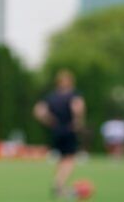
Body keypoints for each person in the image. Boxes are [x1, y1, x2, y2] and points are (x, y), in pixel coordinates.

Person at [33, 69, 86, 198]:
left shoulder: (52, 96)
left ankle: (59, 185)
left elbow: (38, 110)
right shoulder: (73, 94)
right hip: (69, 129)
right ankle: (59, 184)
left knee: (62, 158)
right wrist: (78, 121)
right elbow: (77, 107)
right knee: (70, 159)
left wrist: (49, 120)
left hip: (56, 130)